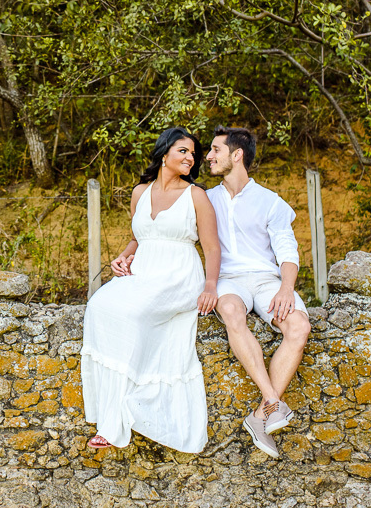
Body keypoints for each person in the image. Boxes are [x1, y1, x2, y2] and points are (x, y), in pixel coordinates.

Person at [80, 127, 221, 453]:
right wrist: (124, 257)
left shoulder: (196, 195)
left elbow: (213, 248)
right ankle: (111, 411)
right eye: (184, 151)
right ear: (164, 152)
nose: (191, 157)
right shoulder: (140, 192)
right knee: (100, 306)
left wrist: (210, 286)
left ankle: (115, 423)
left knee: (131, 315)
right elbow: (139, 237)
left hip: (178, 275)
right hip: (144, 271)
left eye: (193, 153)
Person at [205, 126, 311, 459]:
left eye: (215, 150)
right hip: (227, 281)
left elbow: (288, 251)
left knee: (299, 328)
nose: (208, 156)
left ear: (236, 155)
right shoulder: (204, 200)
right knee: (233, 313)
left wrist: (286, 287)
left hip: (267, 280)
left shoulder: (270, 202)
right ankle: (273, 403)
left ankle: (260, 416)